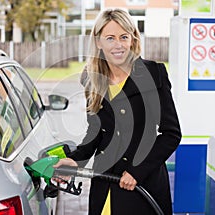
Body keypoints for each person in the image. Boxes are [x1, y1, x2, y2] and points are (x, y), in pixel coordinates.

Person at [53, 8, 181, 215]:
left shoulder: (153, 74)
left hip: (142, 186)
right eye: (110, 38)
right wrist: (75, 160)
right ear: (98, 42)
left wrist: (137, 171)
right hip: (105, 183)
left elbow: (171, 134)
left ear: (133, 39)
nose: (118, 45)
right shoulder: (91, 77)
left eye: (124, 37)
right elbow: (96, 131)